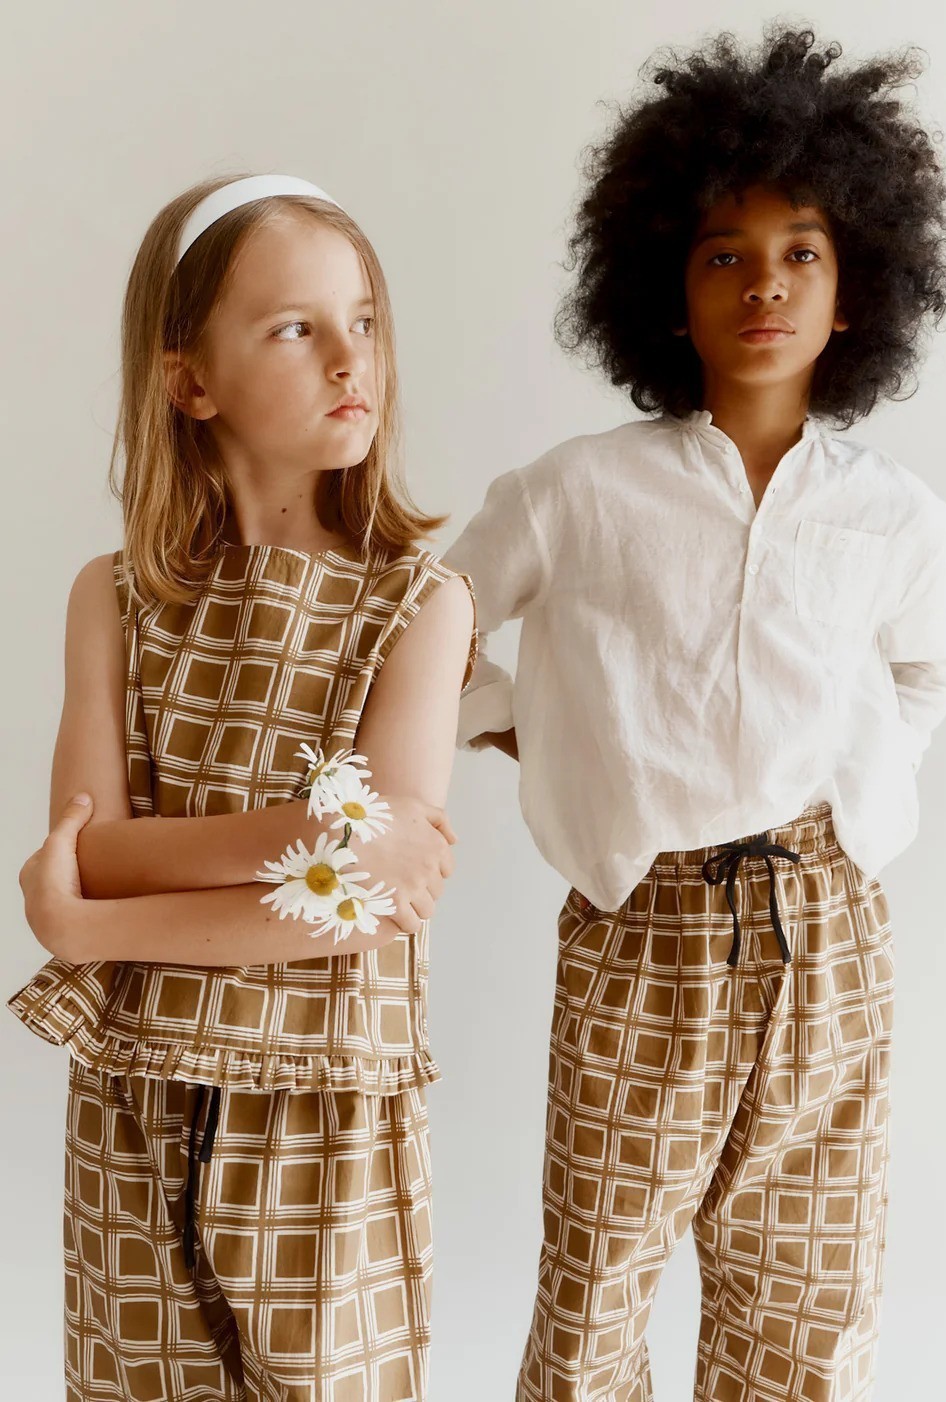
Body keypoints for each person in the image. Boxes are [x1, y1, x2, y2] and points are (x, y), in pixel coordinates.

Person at [444, 28, 946, 1402]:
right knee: (596, 1289)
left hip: (829, 933)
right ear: (666, 295)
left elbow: (933, 671)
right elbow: (428, 625)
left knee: (805, 1293)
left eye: (802, 252)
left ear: (856, 291)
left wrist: (867, 790)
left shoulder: (893, 514)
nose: (766, 284)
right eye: (724, 256)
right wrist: (524, 723)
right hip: (645, 928)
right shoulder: (576, 491)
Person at [9, 173, 476, 1401]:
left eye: (362, 320)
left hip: (326, 1110)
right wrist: (317, 832)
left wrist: (90, 929)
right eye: (294, 327)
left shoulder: (419, 606)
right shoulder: (113, 596)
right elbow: (90, 848)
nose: (348, 357)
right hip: (136, 1096)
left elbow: (358, 908)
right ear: (190, 382)